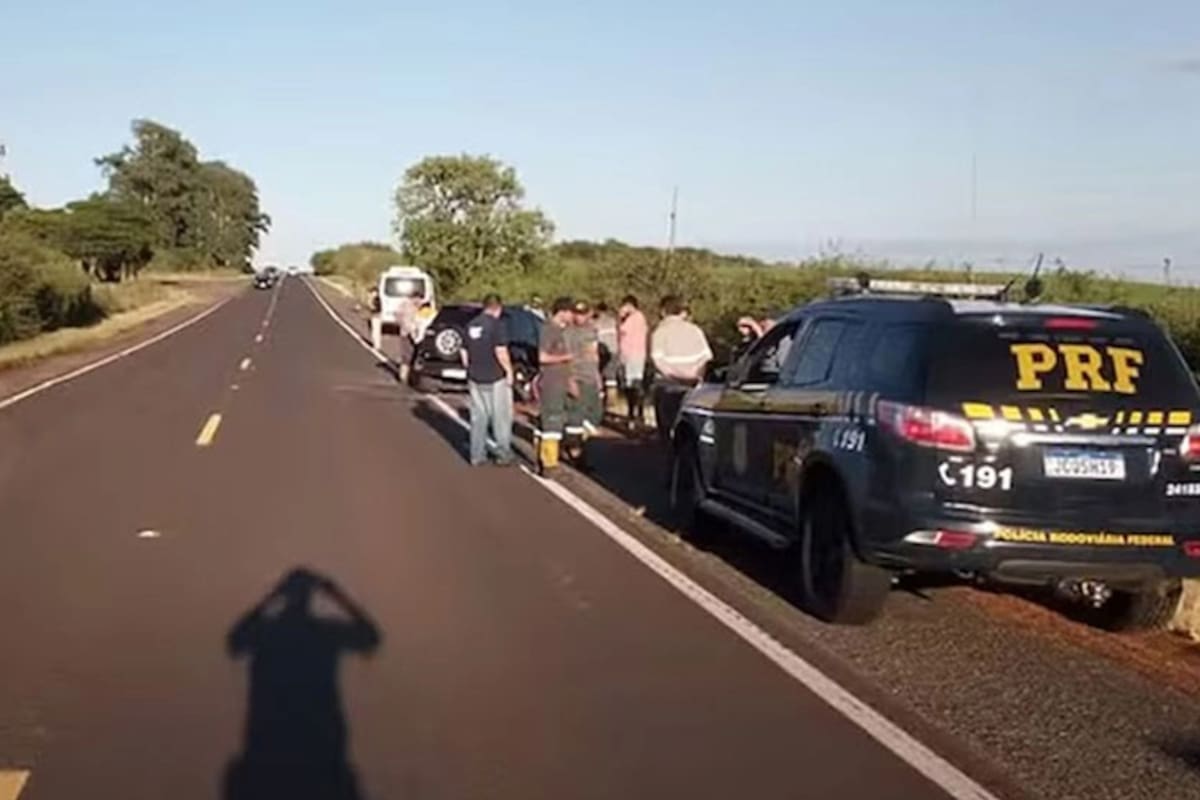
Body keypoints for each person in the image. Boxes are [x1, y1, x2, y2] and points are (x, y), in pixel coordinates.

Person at [461, 293, 515, 466]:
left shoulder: (471, 325)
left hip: (475, 375)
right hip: (495, 376)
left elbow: (464, 351)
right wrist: (509, 372)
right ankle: (503, 453)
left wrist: (469, 368)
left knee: (478, 416)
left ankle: (476, 455)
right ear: (498, 308)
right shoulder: (497, 325)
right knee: (500, 417)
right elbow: (501, 351)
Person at [650, 295, 712, 443]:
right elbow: (706, 357)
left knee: (667, 428)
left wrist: (676, 376)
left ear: (663, 312)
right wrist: (695, 375)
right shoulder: (695, 330)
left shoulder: (660, 332)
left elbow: (658, 360)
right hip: (694, 386)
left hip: (668, 385)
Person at [535, 297, 576, 471]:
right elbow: (542, 357)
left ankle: (542, 458)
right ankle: (549, 463)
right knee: (552, 422)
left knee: (552, 421)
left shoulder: (560, 331)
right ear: (563, 312)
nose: (572, 316)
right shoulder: (549, 330)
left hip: (560, 382)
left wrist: (569, 381)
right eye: (571, 312)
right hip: (551, 383)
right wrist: (565, 357)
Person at [564, 300, 602, 460]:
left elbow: (594, 356)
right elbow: (564, 359)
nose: (580, 317)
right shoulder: (567, 333)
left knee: (595, 414)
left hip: (590, 376)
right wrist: (570, 379)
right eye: (577, 313)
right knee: (576, 416)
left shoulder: (591, 331)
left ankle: (578, 446)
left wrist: (598, 377)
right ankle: (575, 452)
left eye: (583, 314)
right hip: (576, 376)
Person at [617, 294, 649, 431]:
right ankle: (634, 414)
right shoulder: (637, 317)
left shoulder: (636, 317)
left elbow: (622, 330)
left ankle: (636, 414)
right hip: (630, 355)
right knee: (631, 385)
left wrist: (621, 317)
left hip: (634, 355)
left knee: (634, 385)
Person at [594, 302, 619, 407]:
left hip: (602, 352)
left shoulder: (597, 323)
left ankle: (600, 400)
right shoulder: (613, 321)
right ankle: (612, 400)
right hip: (614, 351)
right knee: (611, 377)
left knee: (599, 375)